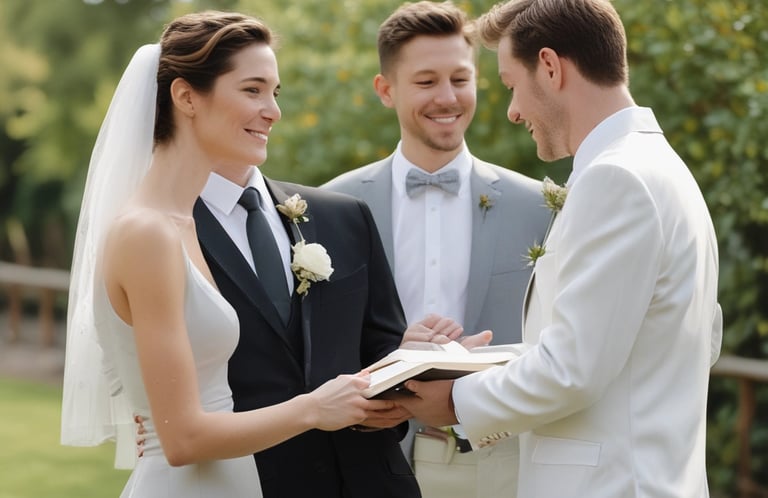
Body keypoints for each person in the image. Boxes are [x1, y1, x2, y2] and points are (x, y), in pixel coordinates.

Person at [60, 11, 403, 498]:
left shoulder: (180, 225)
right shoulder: (147, 234)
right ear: (186, 97)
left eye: (275, 92)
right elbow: (180, 438)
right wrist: (314, 408)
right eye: (252, 90)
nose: (273, 111)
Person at [397, 1, 723, 497]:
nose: (512, 110)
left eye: (511, 85)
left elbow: (572, 369)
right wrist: (463, 364)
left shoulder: (617, 179)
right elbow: (620, 345)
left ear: (549, 67)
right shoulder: (659, 165)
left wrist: (456, 399)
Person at [323, 2, 550, 497]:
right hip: (374, 460)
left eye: (460, 79)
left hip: (501, 463)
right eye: (426, 81)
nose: (447, 98)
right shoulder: (333, 206)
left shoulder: (543, 206)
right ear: (386, 90)